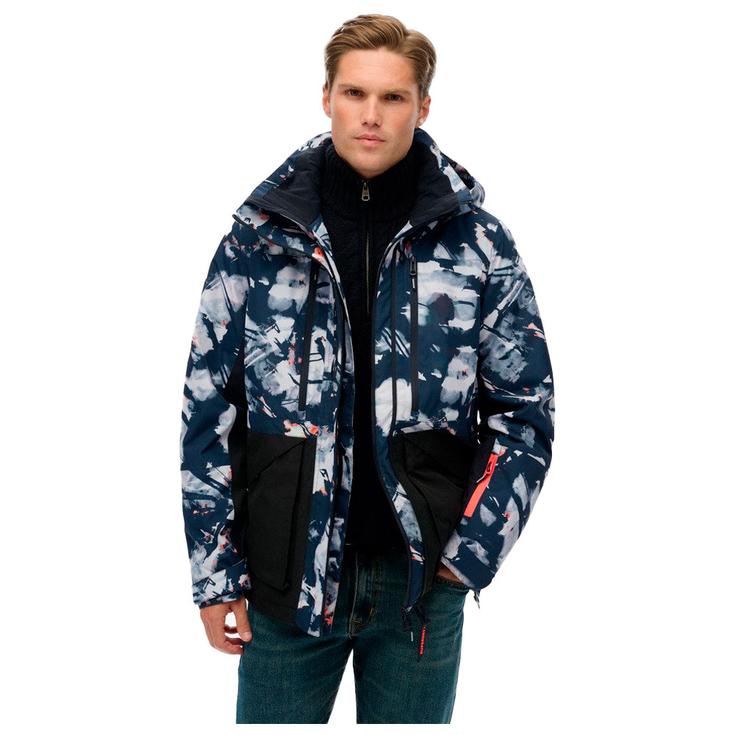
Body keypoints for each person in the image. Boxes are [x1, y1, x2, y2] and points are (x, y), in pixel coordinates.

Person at [179, 13, 555, 724]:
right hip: (285, 583)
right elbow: (209, 410)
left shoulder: (477, 244)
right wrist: (215, 574)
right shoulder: (259, 238)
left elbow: (525, 413)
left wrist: (464, 560)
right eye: (355, 93)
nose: (371, 115)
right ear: (326, 97)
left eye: (392, 97)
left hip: (419, 587)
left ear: (423, 105)